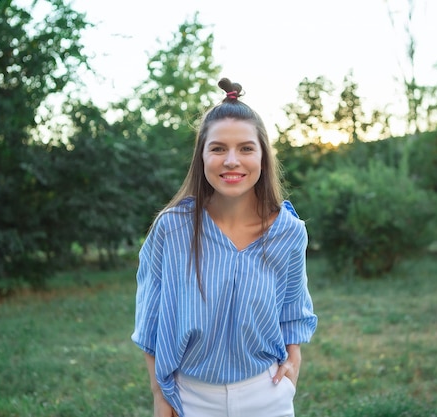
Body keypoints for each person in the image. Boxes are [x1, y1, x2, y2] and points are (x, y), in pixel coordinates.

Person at [132, 77, 318, 417]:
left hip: (266, 393)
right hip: (189, 396)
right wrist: (160, 394)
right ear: (202, 157)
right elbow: (151, 317)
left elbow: (293, 309)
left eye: (246, 148)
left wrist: (294, 363)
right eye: (218, 148)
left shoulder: (289, 232)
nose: (232, 160)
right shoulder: (172, 228)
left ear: (263, 156)